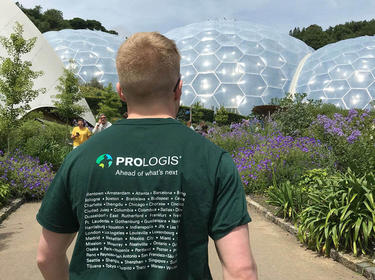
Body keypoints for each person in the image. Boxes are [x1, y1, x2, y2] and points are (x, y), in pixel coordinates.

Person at [36, 32, 257, 280]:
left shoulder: (81, 157)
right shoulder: (213, 160)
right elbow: (241, 271)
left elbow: (47, 257)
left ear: (121, 91)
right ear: (178, 89)